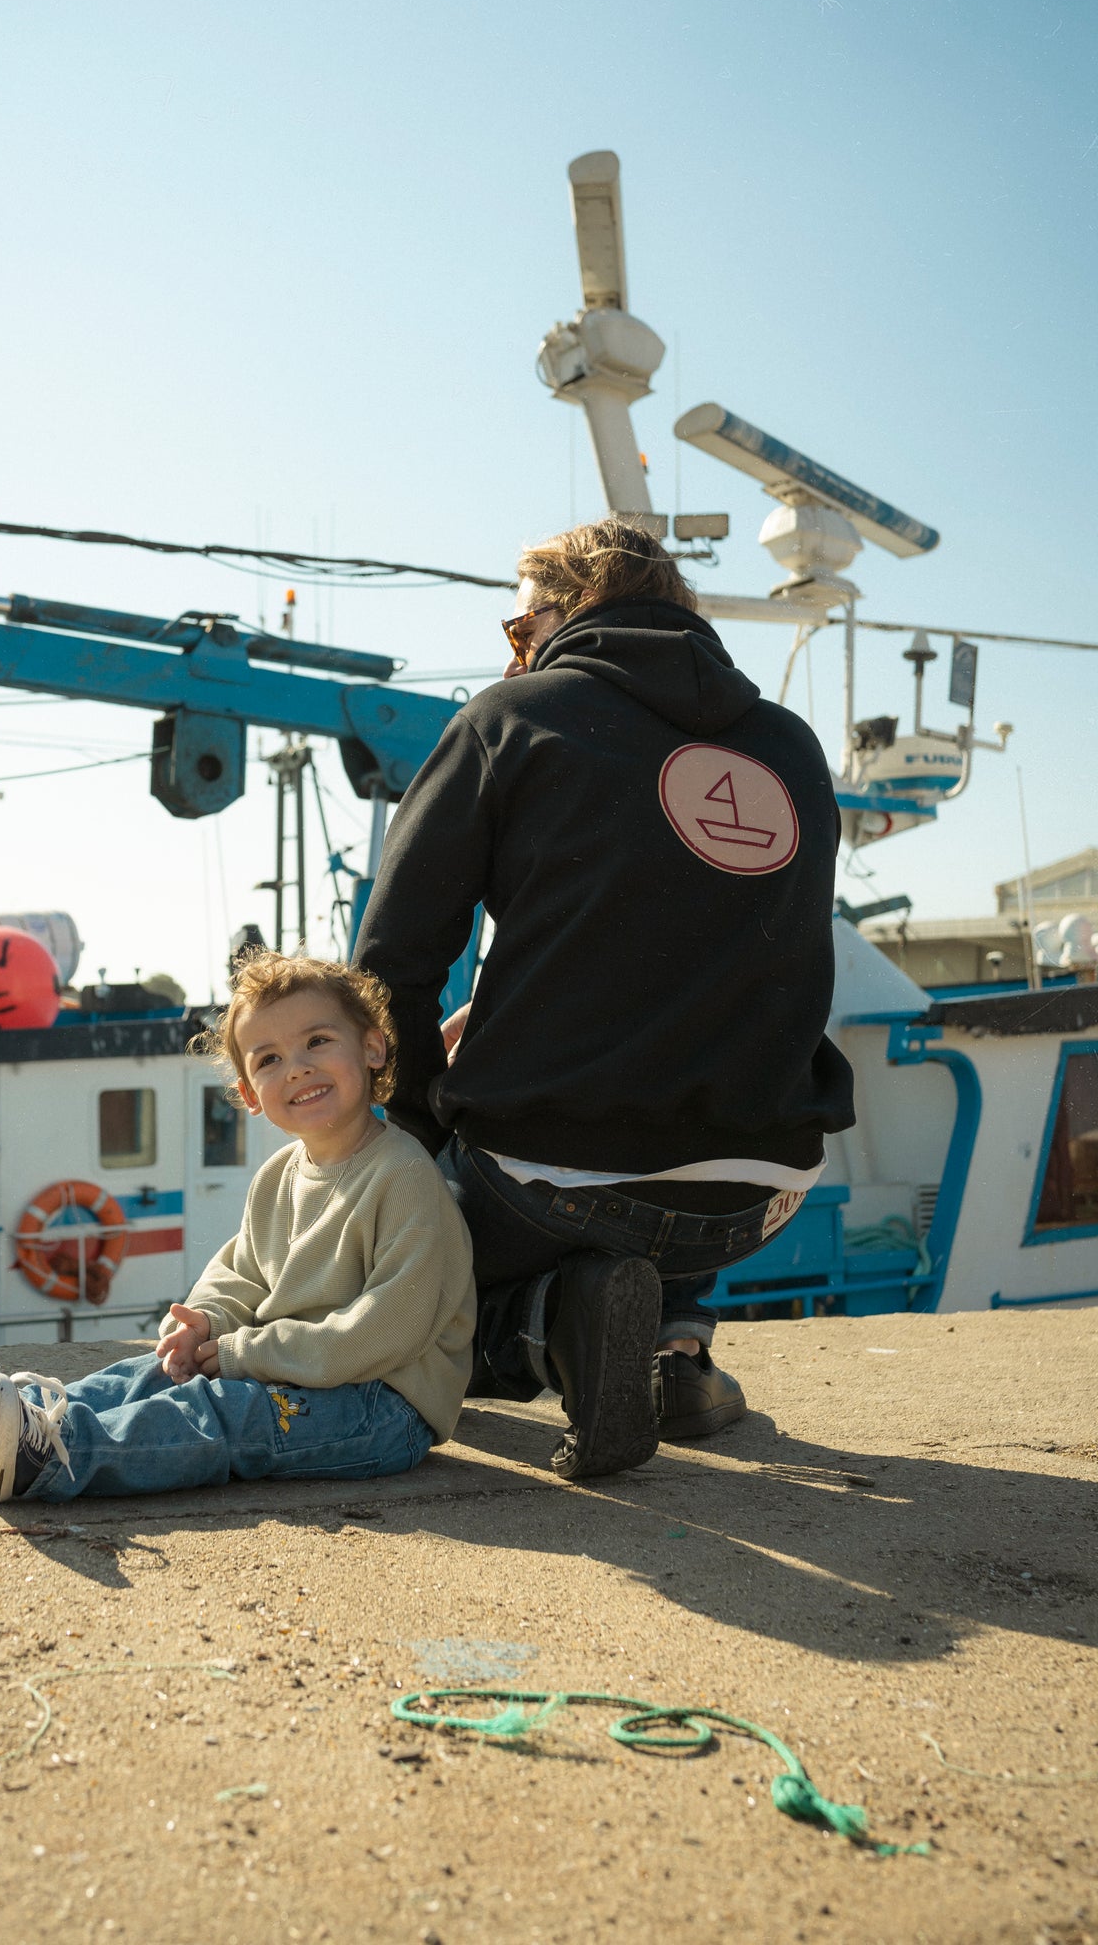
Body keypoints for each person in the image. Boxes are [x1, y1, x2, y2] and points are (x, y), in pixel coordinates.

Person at [354, 515, 854, 1481]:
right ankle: (677, 1345)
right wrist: (512, 1019)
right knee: (673, 1146)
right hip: (763, 1188)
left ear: (559, 613)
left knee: (400, 1284)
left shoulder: (510, 720)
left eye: (514, 632)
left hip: (554, 1179)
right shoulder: (789, 745)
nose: (512, 655)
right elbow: (736, 959)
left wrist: (419, 1135)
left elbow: (391, 964)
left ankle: (553, 1334)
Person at [0, 953, 475, 1505]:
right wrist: (206, 1324)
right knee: (152, 1374)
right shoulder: (278, 1176)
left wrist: (239, 1353)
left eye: (318, 1041)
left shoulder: (403, 1177)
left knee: (226, 1415)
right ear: (250, 1095)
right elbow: (243, 1275)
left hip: (383, 1407)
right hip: (299, 1374)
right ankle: (6, 1421)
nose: (297, 1067)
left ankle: (55, 1453)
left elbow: (382, 1333)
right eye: (268, 1059)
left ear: (372, 1046)